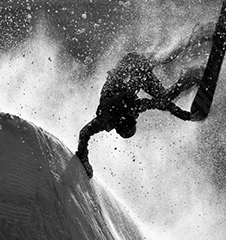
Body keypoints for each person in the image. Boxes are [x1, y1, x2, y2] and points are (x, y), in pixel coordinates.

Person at [75, 25, 213, 178]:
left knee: (163, 62)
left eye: (131, 120)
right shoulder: (129, 111)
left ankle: (196, 47)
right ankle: (192, 70)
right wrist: (184, 115)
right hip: (136, 75)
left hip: (131, 67)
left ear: (122, 123)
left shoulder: (109, 118)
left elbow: (84, 133)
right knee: (164, 86)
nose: (134, 117)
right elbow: (158, 104)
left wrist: (83, 157)